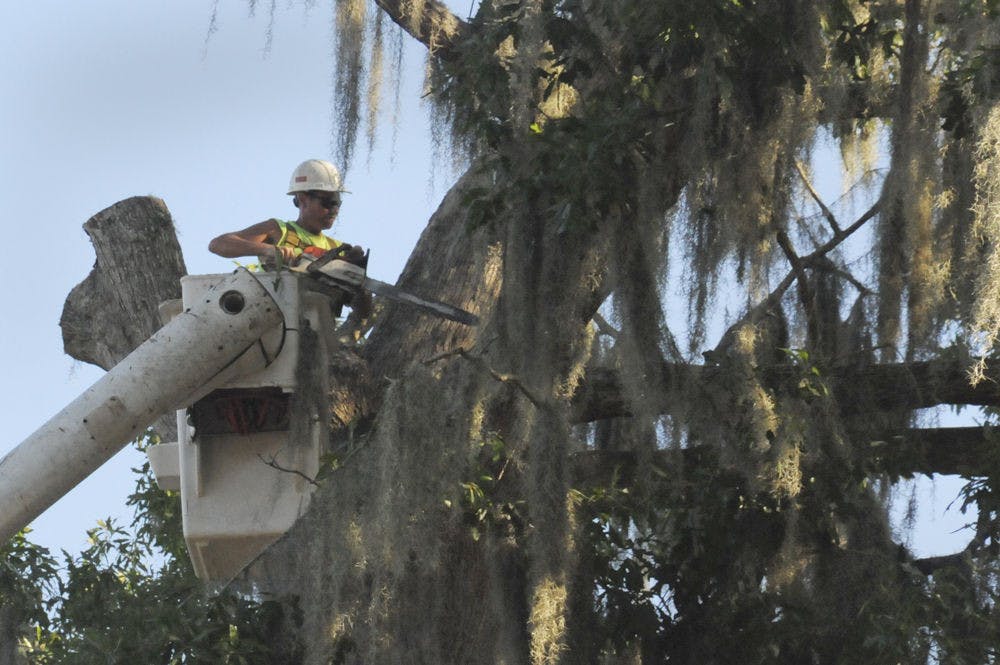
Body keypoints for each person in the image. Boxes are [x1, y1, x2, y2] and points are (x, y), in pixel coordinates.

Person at [209, 159, 372, 319]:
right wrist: (269, 250)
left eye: (338, 203)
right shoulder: (279, 231)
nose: (334, 210)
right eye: (328, 203)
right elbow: (218, 244)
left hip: (316, 332)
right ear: (302, 199)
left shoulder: (337, 249)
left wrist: (357, 280)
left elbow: (363, 312)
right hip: (274, 322)